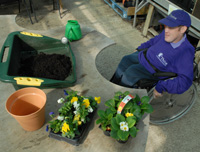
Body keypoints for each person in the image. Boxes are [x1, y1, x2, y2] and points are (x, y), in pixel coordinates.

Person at [110, 9, 195, 98]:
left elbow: (185, 81)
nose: (166, 30)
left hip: (153, 70)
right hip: (144, 56)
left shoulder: (186, 51)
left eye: (171, 27)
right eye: (166, 26)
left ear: (182, 29)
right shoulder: (167, 34)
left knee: (130, 73)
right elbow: (153, 41)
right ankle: (112, 87)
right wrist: (140, 48)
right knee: (125, 60)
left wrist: (161, 86)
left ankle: (119, 100)